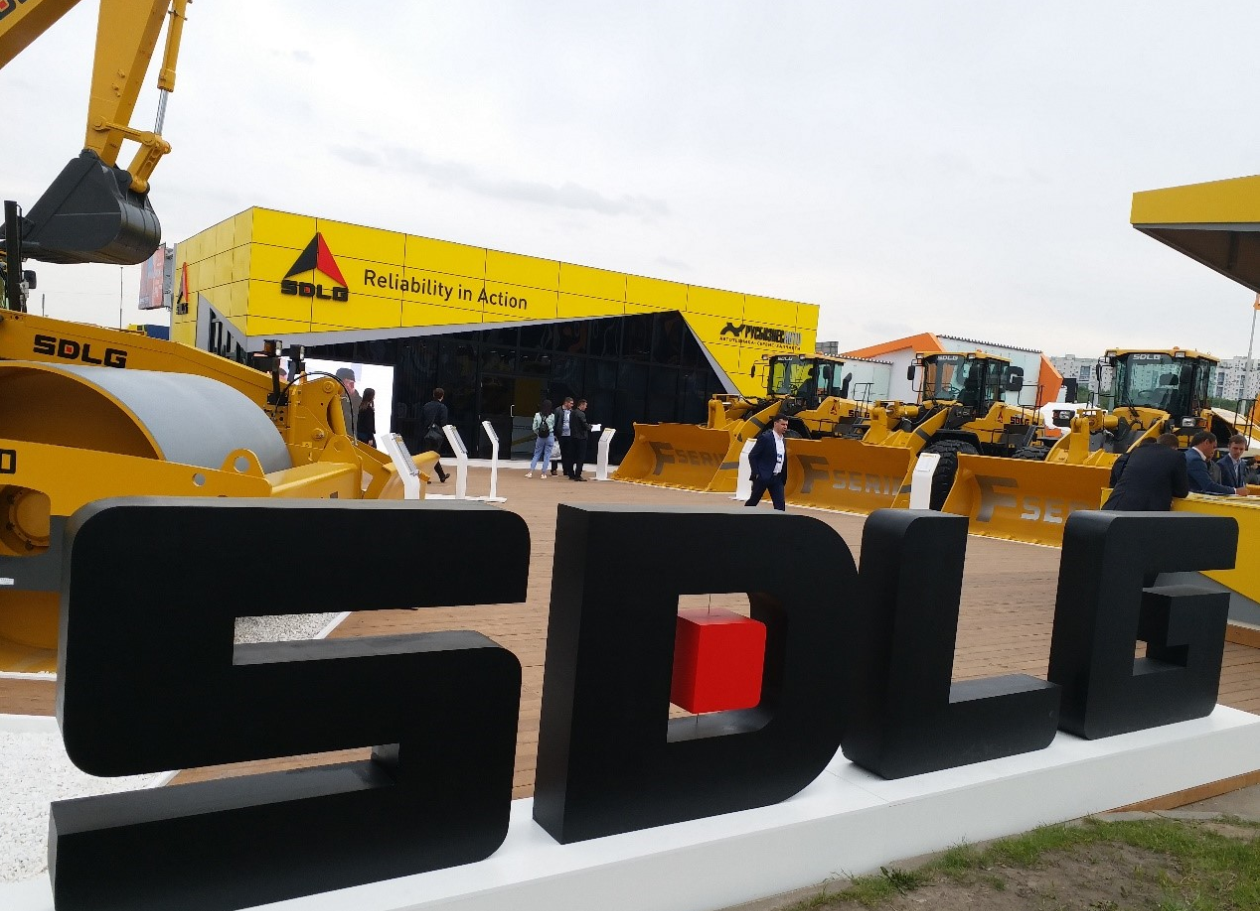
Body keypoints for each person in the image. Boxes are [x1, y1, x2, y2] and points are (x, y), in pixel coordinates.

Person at [1102, 433, 1189, 511]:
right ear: (1174, 448)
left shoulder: (1138, 451)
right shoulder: (1177, 456)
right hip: (1145, 513)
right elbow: (1182, 492)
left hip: (1115, 504)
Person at [744, 415, 790, 511]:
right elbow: (753, 455)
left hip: (777, 478)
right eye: (783, 424)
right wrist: (757, 473)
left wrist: (783, 477)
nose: (785, 427)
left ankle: (779, 520)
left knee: (780, 506)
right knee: (753, 501)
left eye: (786, 425)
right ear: (775, 423)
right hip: (763, 476)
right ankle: (743, 516)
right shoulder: (765, 438)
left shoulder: (783, 440)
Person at [1185, 430, 1248, 496]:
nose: (1214, 451)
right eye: (1214, 447)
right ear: (1206, 442)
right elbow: (1209, 485)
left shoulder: (1188, 455)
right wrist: (1235, 491)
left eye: (1241, 449)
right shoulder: (1196, 460)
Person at [420, 387, 450, 483]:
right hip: (436, 434)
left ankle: (440, 476)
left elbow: (421, 420)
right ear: (442, 396)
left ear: (433, 395)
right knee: (433, 456)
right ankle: (428, 477)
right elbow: (443, 422)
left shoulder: (426, 406)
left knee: (429, 455)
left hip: (426, 433)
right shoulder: (443, 407)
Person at [526, 399, 555, 479]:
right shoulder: (552, 416)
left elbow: (534, 427)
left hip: (540, 436)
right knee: (547, 455)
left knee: (537, 454)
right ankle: (543, 473)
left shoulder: (537, 415)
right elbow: (553, 425)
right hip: (550, 436)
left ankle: (530, 472)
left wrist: (538, 433)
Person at [554, 397, 576, 478]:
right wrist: (554, 433)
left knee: (567, 453)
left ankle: (566, 470)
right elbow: (555, 422)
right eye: (571, 403)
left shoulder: (572, 412)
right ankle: (554, 469)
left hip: (569, 435)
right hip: (560, 435)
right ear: (566, 403)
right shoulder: (558, 410)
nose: (572, 405)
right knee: (556, 452)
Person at [336, 367, 360, 438]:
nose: (338, 388)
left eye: (342, 385)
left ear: (352, 385)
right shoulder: (333, 401)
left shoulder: (363, 405)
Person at [570, 398, 590, 481]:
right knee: (580, 457)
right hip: (581, 438)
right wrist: (590, 427)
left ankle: (571, 474)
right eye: (585, 405)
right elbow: (584, 425)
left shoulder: (572, 413)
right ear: (581, 405)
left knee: (572, 456)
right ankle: (578, 474)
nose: (586, 407)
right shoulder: (581, 414)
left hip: (573, 437)